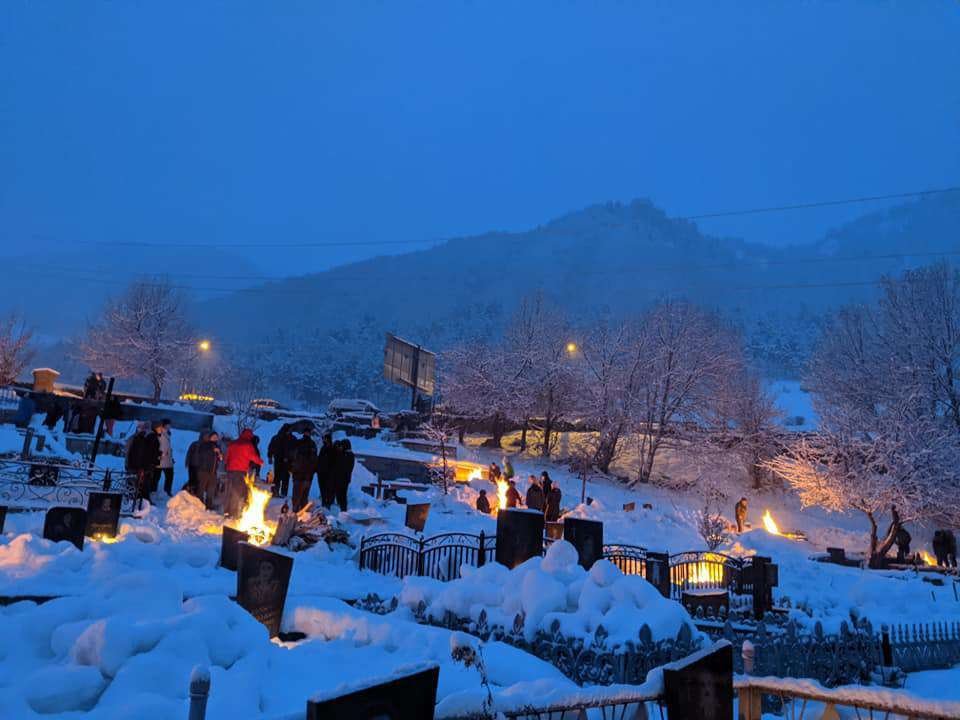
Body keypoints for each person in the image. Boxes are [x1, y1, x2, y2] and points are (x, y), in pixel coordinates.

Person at [224, 428, 264, 518]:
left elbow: (227, 456)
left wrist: (227, 465)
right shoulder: (248, 445)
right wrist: (260, 462)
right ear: (250, 436)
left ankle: (226, 511)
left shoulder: (233, 443)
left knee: (229, 490)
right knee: (237, 491)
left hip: (230, 470)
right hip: (240, 471)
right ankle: (233, 513)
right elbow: (252, 456)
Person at [290, 429, 318, 512]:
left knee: (297, 494)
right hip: (306, 474)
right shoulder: (312, 444)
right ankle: (301, 511)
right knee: (303, 494)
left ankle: (296, 511)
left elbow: (292, 456)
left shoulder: (299, 443)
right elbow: (314, 460)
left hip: (300, 473)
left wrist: (292, 467)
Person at [195, 432, 222, 510]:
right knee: (201, 488)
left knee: (211, 489)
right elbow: (202, 454)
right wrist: (212, 450)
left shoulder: (217, 446)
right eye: (213, 437)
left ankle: (209, 505)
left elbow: (218, 459)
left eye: (216, 437)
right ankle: (199, 505)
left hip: (213, 472)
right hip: (204, 471)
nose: (215, 438)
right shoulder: (204, 445)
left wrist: (220, 455)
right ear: (209, 437)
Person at [267, 424, 294, 498]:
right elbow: (271, 448)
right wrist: (270, 456)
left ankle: (282, 493)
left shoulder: (292, 438)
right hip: (279, 460)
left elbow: (295, 450)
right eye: (289, 430)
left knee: (284, 477)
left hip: (286, 461)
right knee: (278, 477)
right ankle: (276, 493)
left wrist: (292, 460)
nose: (291, 431)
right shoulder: (277, 438)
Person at [332, 438, 355, 511]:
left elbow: (340, 465)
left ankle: (343, 509)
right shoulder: (350, 455)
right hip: (345, 478)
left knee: (341, 495)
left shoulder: (345, 455)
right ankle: (342, 509)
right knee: (342, 494)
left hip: (341, 478)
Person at [184, 431, 209, 496]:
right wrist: (187, 462)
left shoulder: (208, 446)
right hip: (192, 464)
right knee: (192, 479)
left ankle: (195, 492)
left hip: (201, 466)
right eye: (205, 436)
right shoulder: (195, 444)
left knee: (198, 480)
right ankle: (190, 491)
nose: (206, 438)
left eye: (207, 436)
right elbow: (189, 453)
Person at [316, 432, 336, 508]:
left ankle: (328, 504)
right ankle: (324, 503)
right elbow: (320, 459)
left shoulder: (332, 449)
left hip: (329, 473)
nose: (324, 440)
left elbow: (334, 462)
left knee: (328, 489)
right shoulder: (323, 448)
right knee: (323, 489)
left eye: (325, 439)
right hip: (321, 473)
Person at [158, 419, 175, 496]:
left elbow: (167, 446)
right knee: (157, 476)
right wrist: (161, 454)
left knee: (169, 476)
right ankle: (155, 491)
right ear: (165, 425)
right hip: (161, 458)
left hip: (166, 459)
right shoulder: (160, 433)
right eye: (169, 424)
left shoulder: (167, 433)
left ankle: (166, 491)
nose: (170, 426)